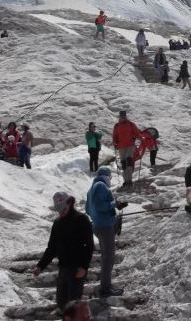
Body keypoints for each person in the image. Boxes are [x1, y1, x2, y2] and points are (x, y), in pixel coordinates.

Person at [34, 192, 94, 312]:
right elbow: (52, 248)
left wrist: (83, 267)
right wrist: (40, 266)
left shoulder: (81, 219)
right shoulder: (57, 223)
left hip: (77, 269)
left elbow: (89, 246)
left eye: (63, 209)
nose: (61, 212)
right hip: (63, 268)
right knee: (61, 303)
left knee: (73, 305)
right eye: (58, 210)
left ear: (70, 203)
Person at [85, 168, 128, 297]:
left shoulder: (92, 188)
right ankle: (106, 288)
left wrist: (110, 208)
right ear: (107, 176)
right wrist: (114, 204)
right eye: (110, 177)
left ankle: (105, 286)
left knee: (106, 257)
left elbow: (88, 209)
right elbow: (100, 206)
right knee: (108, 258)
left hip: (98, 225)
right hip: (105, 226)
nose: (110, 180)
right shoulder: (101, 186)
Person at [112, 111, 142, 187]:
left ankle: (129, 180)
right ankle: (126, 180)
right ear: (120, 116)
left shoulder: (131, 124)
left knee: (128, 161)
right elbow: (114, 136)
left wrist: (141, 138)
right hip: (121, 146)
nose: (122, 117)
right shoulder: (117, 126)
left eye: (123, 116)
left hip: (129, 146)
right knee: (124, 163)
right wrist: (115, 143)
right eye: (121, 116)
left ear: (125, 116)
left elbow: (137, 133)